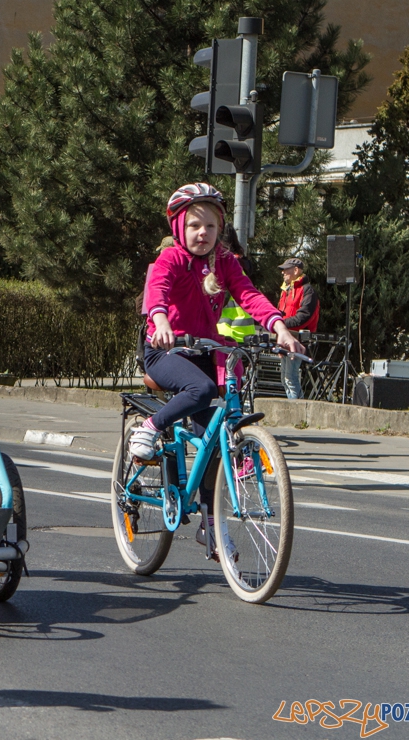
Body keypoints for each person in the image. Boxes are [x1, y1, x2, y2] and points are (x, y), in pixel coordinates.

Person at [133, 183, 303, 560]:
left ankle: (210, 528)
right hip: (166, 351)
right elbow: (157, 291)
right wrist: (159, 321)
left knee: (216, 441)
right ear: (179, 227)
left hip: (206, 352)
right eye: (195, 225)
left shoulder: (224, 261)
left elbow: (249, 295)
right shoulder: (171, 259)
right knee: (202, 388)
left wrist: (280, 329)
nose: (203, 233)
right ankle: (150, 427)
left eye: (210, 226)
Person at [276, 257, 319, 400]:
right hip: (288, 338)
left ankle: (298, 416)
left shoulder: (307, 290)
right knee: (285, 379)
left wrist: (280, 324)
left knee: (291, 378)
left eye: (286, 270)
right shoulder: (286, 290)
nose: (283, 273)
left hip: (298, 340)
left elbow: (304, 317)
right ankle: (296, 414)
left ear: (296, 271)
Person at [215, 225, 257, 343]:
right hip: (245, 333)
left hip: (226, 331)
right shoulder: (243, 265)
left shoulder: (225, 265)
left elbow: (218, 300)